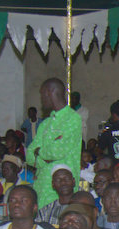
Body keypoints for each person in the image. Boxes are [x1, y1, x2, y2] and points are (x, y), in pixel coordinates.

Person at [27, 78, 81, 208]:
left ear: (49, 92)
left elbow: (56, 151)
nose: (41, 99)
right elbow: (29, 154)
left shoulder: (72, 119)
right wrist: (42, 160)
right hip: (41, 190)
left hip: (61, 193)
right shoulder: (45, 123)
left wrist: (39, 153)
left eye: (42, 94)